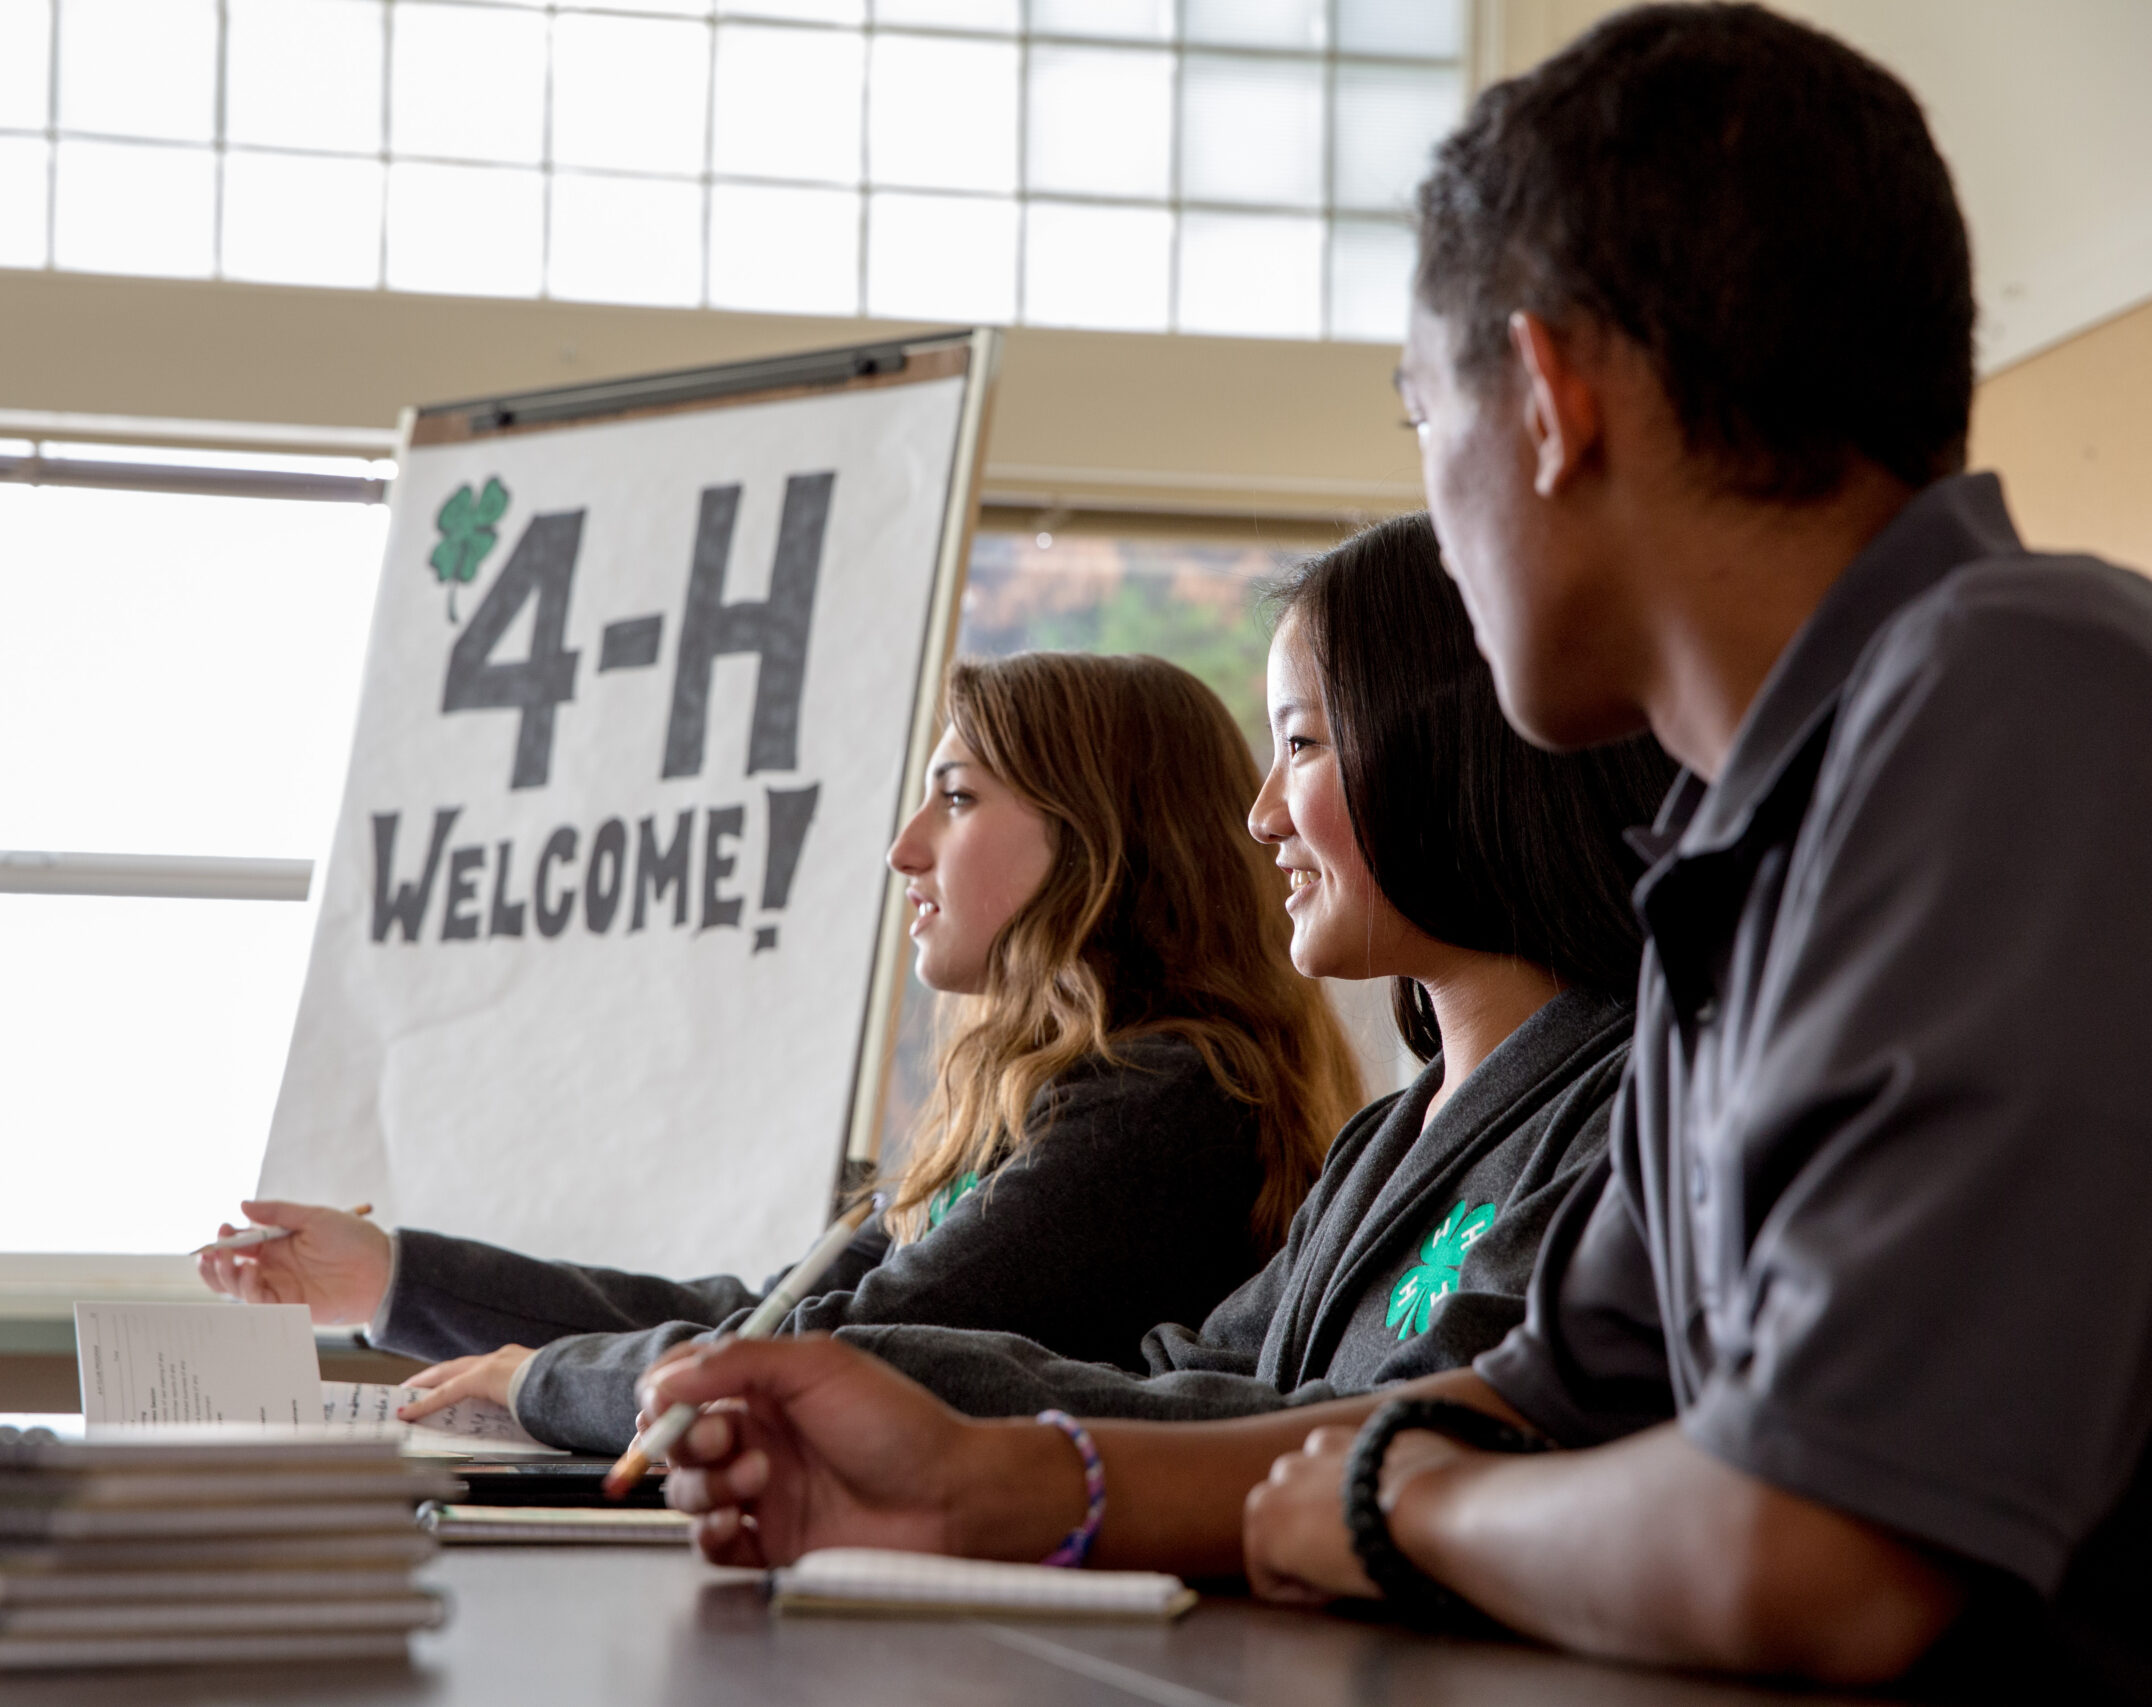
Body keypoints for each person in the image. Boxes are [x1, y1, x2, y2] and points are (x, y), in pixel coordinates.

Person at [646, 7, 2152, 1695]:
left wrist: (1398, 1511)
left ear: (1550, 402)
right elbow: (1528, 1399)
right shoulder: (1753, 849)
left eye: (1422, 418)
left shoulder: (2020, 694)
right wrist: (999, 1484)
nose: (1437, 515)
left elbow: (1823, 1548)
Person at [204, 651, 1363, 1451]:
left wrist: (539, 1381)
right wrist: (392, 1275)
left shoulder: (1164, 1100)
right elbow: (763, 1310)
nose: (906, 849)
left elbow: (816, 1354)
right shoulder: (1055, 1091)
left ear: (1103, 838)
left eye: (954, 800)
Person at [842, 513, 1673, 1424]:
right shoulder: (1382, 1142)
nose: (1262, 814)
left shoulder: (1631, 1111)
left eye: (1303, 744)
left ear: (1446, 749)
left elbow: (1411, 1430)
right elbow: (1199, 1376)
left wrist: (889, 1373)